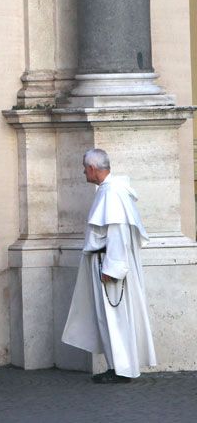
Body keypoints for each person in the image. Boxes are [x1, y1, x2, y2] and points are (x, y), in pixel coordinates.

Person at [62, 148, 156, 383]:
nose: (84, 173)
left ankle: (122, 370)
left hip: (109, 267)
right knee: (110, 319)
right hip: (104, 263)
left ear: (93, 169)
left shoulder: (112, 193)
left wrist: (112, 270)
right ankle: (118, 366)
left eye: (85, 168)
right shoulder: (110, 190)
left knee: (116, 319)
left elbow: (118, 234)